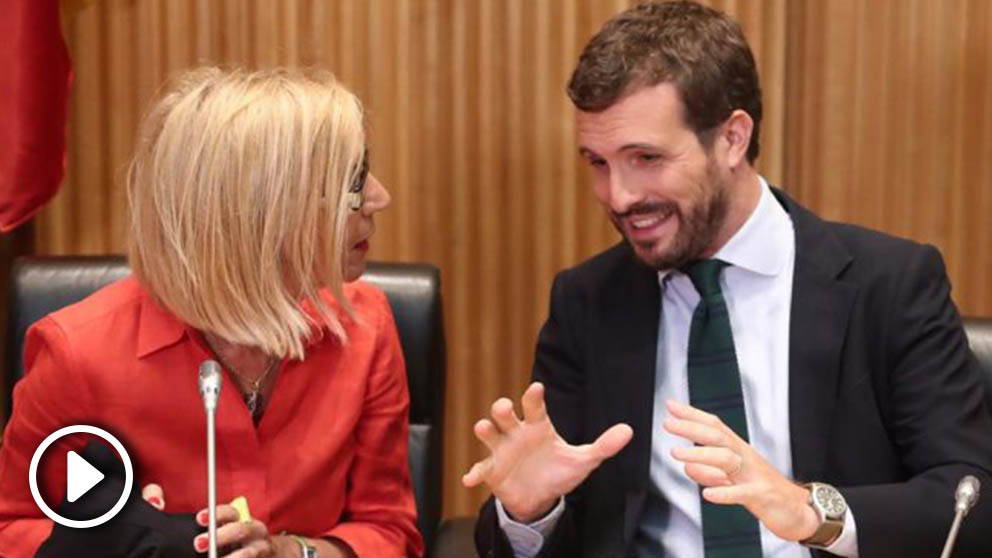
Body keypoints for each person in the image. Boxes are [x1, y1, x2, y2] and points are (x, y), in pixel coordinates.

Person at [465, 2, 992, 557]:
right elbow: (549, 532)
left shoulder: (888, 285)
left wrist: (811, 512)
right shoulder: (588, 301)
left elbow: (972, 500)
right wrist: (531, 513)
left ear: (733, 138)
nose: (618, 197)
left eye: (646, 157)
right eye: (598, 163)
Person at [0, 67, 423, 558]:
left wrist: (291, 553)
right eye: (350, 181)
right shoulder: (78, 354)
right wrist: (98, 544)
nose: (379, 198)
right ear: (259, 210)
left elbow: (389, 532)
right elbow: (11, 527)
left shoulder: (365, 326)